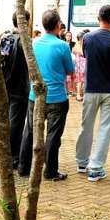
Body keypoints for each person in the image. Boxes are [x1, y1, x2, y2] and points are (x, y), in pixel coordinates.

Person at [18, 10, 75, 181]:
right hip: (57, 97)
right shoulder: (62, 46)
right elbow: (70, 71)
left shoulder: (33, 44)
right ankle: (50, 171)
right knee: (53, 134)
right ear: (58, 25)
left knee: (30, 131)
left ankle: (23, 167)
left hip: (35, 95)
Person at [74, 5, 110, 182]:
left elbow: (82, 52)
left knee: (86, 126)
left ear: (98, 18)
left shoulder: (88, 38)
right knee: (105, 129)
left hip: (91, 89)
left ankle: (82, 162)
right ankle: (95, 168)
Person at [3, 10, 31, 169]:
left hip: (4, 86)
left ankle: (8, 152)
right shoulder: (24, 42)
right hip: (19, 88)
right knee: (16, 123)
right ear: (25, 22)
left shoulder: (5, 37)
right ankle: (14, 156)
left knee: (8, 120)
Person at [71, 32, 86, 101]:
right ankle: (78, 95)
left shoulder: (82, 44)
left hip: (83, 65)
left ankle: (81, 94)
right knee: (80, 81)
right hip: (80, 66)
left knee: (83, 81)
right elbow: (82, 53)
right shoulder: (77, 45)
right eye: (81, 38)